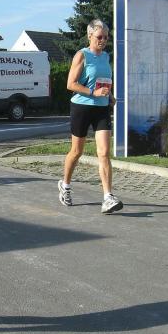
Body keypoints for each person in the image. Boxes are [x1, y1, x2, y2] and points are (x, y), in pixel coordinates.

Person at [58, 19, 123, 214]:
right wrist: (93, 93)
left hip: (101, 109)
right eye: (99, 37)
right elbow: (71, 84)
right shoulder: (82, 55)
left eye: (106, 37)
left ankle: (108, 197)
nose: (103, 40)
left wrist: (110, 95)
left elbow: (104, 81)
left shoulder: (106, 57)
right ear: (90, 36)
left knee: (104, 152)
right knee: (76, 151)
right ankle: (65, 185)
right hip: (81, 107)